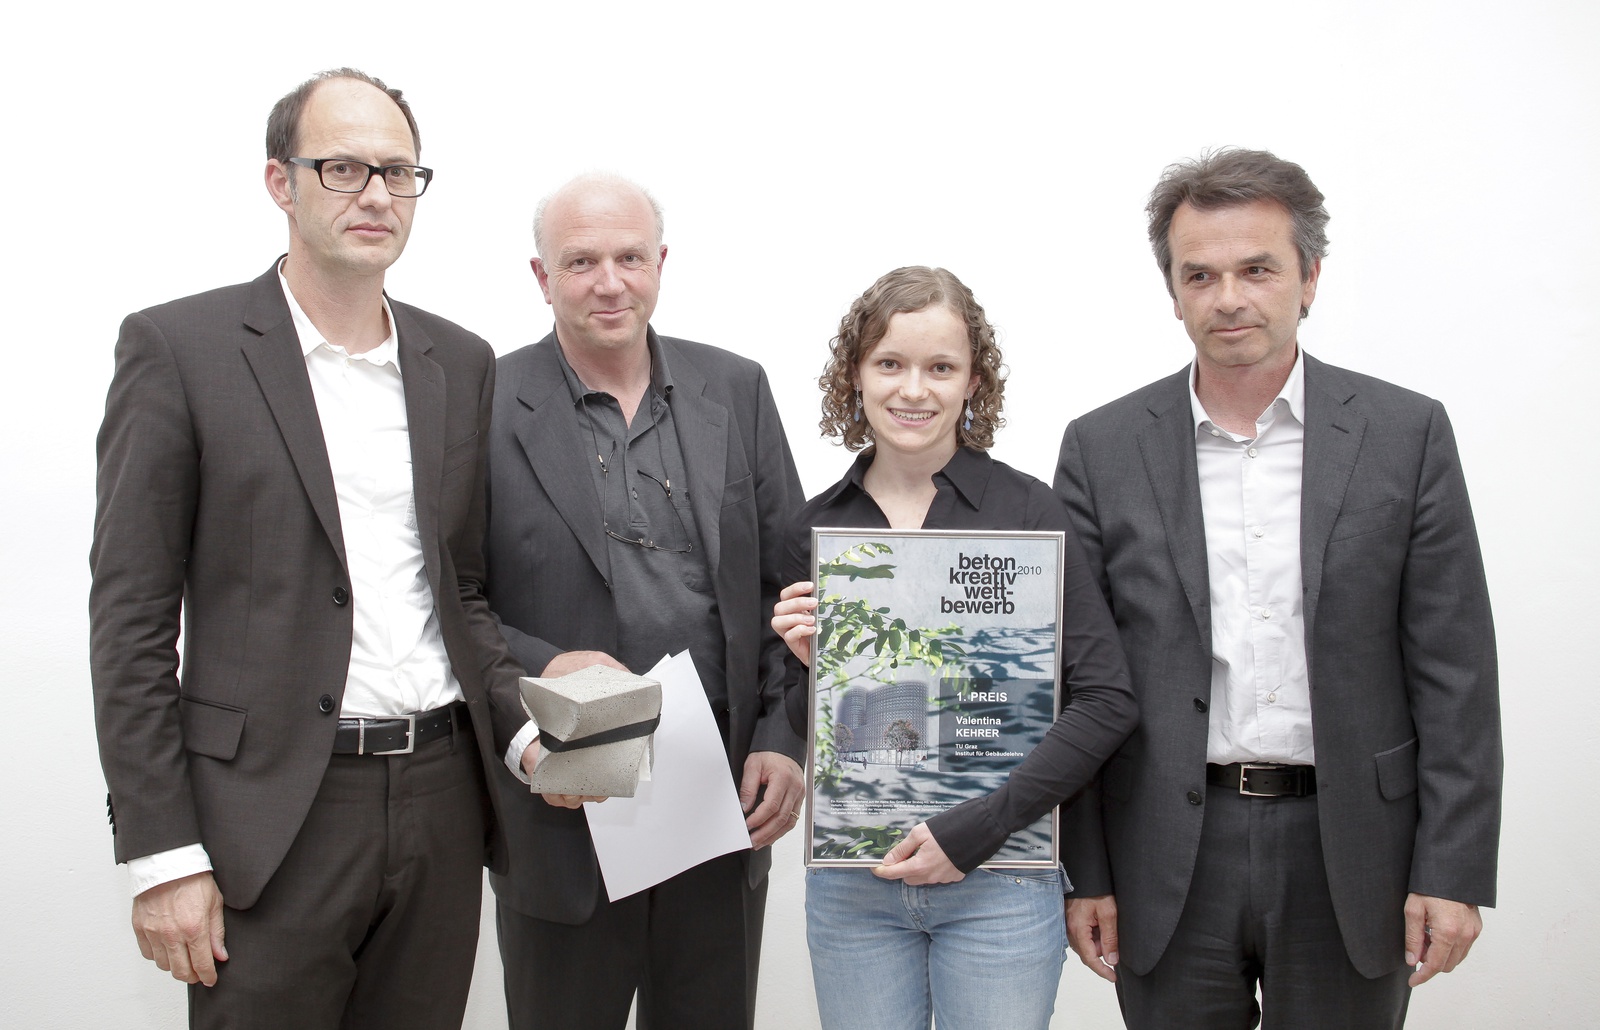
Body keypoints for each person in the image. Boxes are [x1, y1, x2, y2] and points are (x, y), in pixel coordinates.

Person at [89, 69, 529, 1028]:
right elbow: (129, 622)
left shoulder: (460, 360)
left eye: (398, 172)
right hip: (270, 816)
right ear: (280, 183)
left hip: (444, 797)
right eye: (343, 168)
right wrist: (163, 854)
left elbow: (460, 587)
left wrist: (525, 728)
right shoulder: (179, 348)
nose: (376, 194)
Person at [1054, 148, 1502, 1029]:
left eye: (1257, 269)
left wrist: (1450, 870)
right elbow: (1079, 680)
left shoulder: (1406, 434)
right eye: (1201, 275)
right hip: (1166, 851)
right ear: (1173, 292)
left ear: (1310, 278)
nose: (1229, 297)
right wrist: (1087, 871)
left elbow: (1456, 672)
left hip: (1355, 851)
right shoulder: (1101, 449)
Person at [771, 266, 1137, 1030]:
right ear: (855, 374)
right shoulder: (813, 530)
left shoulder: (1029, 512)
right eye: (890, 363)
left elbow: (1107, 700)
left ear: (974, 382)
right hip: (855, 884)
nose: (914, 389)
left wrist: (983, 826)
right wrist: (818, 673)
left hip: (1002, 878)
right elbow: (830, 734)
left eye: (940, 367)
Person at [482, 173, 805, 1030]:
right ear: (541, 276)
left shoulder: (737, 388)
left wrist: (782, 739)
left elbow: (791, 590)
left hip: (720, 803)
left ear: (661, 262)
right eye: (580, 261)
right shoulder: (482, 401)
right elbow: (452, 597)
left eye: (630, 257)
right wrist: (544, 676)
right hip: (565, 809)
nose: (609, 282)